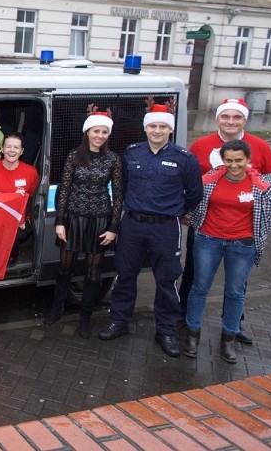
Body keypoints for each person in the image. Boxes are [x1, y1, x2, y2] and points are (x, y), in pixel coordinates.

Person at [98, 101, 202, 358]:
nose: (157, 130)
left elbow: (195, 194)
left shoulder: (184, 159)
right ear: (146, 129)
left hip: (166, 227)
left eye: (162, 126)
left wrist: (175, 210)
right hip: (133, 224)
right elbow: (122, 189)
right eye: (153, 126)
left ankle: (166, 330)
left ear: (170, 130)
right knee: (125, 275)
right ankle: (119, 321)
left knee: (167, 280)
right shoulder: (132, 154)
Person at [179, 97, 271, 345]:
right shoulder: (201, 146)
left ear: (244, 119)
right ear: (218, 119)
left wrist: (264, 218)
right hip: (205, 227)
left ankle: (234, 326)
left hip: (242, 232)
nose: (231, 121)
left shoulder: (260, 146)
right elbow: (187, 181)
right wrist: (186, 211)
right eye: (226, 116)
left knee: (237, 285)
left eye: (236, 117)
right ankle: (185, 319)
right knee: (194, 275)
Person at [47, 108, 123, 339]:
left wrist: (112, 228)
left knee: (93, 272)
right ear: (87, 132)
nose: (100, 135)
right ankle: (56, 308)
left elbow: (118, 196)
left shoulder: (113, 159)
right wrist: (60, 221)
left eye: (104, 132)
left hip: (100, 220)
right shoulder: (74, 156)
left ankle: (85, 318)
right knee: (65, 269)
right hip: (73, 219)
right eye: (96, 131)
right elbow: (64, 190)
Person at [0, 133, 40, 263]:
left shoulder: (31, 172)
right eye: (8, 147)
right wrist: (13, 196)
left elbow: (33, 197)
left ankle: (12, 255)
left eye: (16, 147)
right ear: (2, 149)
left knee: (16, 234)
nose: (12, 150)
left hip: (19, 220)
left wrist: (26, 220)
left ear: (22, 151)